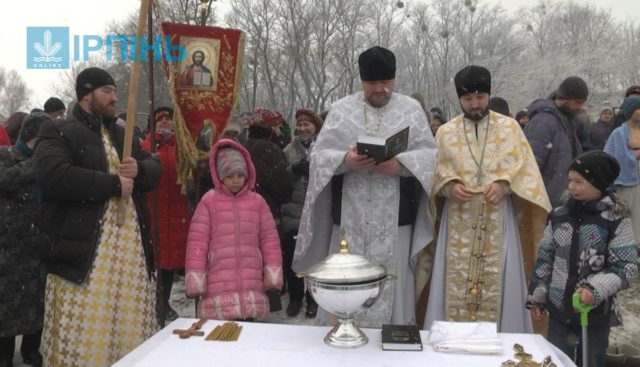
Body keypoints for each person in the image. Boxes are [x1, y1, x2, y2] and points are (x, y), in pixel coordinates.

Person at [292, 46, 437, 327]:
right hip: (348, 219)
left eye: (386, 82)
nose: (381, 89)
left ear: (394, 79)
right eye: (373, 83)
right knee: (345, 282)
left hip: (397, 222)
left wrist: (401, 165)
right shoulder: (341, 110)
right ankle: (343, 336)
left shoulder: (411, 109)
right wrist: (345, 160)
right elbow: (319, 157)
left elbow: (429, 156)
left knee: (393, 286)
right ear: (362, 80)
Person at [34, 67, 162, 367]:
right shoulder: (58, 130)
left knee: (128, 341)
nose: (115, 97)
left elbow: (155, 170)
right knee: (85, 345)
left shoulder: (122, 133)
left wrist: (140, 171)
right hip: (84, 260)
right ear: (86, 95)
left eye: (116, 91)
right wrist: (113, 183)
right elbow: (52, 176)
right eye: (107, 91)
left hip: (129, 262)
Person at [424, 65, 550, 333]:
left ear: (489, 95)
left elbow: (527, 172)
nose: (475, 104)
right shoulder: (445, 132)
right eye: (468, 99)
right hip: (457, 218)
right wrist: (448, 188)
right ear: (459, 99)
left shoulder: (510, 128)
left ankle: (503, 339)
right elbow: (432, 174)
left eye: (480, 97)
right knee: (452, 281)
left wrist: (506, 185)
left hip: (497, 217)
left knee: (501, 277)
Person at [527, 151, 638, 367]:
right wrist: (538, 295)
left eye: (579, 182)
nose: (571, 187)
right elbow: (545, 258)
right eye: (569, 180)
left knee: (591, 360)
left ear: (598, 183)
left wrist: (594, 289)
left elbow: (626, 267)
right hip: (559, 309)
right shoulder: (559, 216)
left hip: (594, 313)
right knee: (558, 360)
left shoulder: (615, 220)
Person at [185, 139, 283, 320]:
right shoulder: (209, 202)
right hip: (218, 283)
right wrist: (196, 278)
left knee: (248, 339)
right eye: (230, 176)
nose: (236, 181)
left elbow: (269, 241)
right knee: (222, 341)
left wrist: (272, 275)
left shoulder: (258, 202)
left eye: (240, 175)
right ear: (220, 176)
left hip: (252, 281)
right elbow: (197, 244)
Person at [0, 113, 49, 367]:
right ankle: (4, 355)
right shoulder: (5, 155)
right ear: (32, 138)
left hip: (38, 245)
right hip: (9, 248)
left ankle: (31, 351)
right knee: (6, 308)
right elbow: (4, 181)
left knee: (37, 305)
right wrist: (35, 164)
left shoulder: (49, 163)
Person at [141, 107, 191, 321]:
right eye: (160, 121)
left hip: (177, 212)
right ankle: (147, 304)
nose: (165, 124)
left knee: (168, 263)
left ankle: (163, 302)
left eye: (168, 120)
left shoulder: (182, 147)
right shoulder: (144, 146)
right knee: (151, 261)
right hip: (153, 212)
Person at [281, 108, 322, 318]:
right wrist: (292, 171)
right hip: (293, 212)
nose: (303, 128)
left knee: (315, 258)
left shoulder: (323, 147)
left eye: (307, 124)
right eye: (300, 125)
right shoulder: (289, 149)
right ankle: (296, 298)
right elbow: (279, 176)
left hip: (316, 211)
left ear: (315, 126)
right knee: (293, 258)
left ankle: (313, 299)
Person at [525, 76, 589, 207]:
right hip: (545, 203)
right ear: (564, 98)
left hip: (562, 200)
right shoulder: (543, 121)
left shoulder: (568, 120)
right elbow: (530, 166)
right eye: (577, 102)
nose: (580, 107)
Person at [243, 108, 294, 225]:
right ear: (272, 128)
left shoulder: (242, 147)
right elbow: (285, 191)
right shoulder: (271, 150)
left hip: (241, 214)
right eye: (278, 128)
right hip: (267, 215)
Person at [604, 95, 640, 244]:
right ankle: (630, 245)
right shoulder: (618, 133)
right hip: (627, 183)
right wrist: (636, 154)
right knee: (629, 217)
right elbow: (611, 159)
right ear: (630, 110)